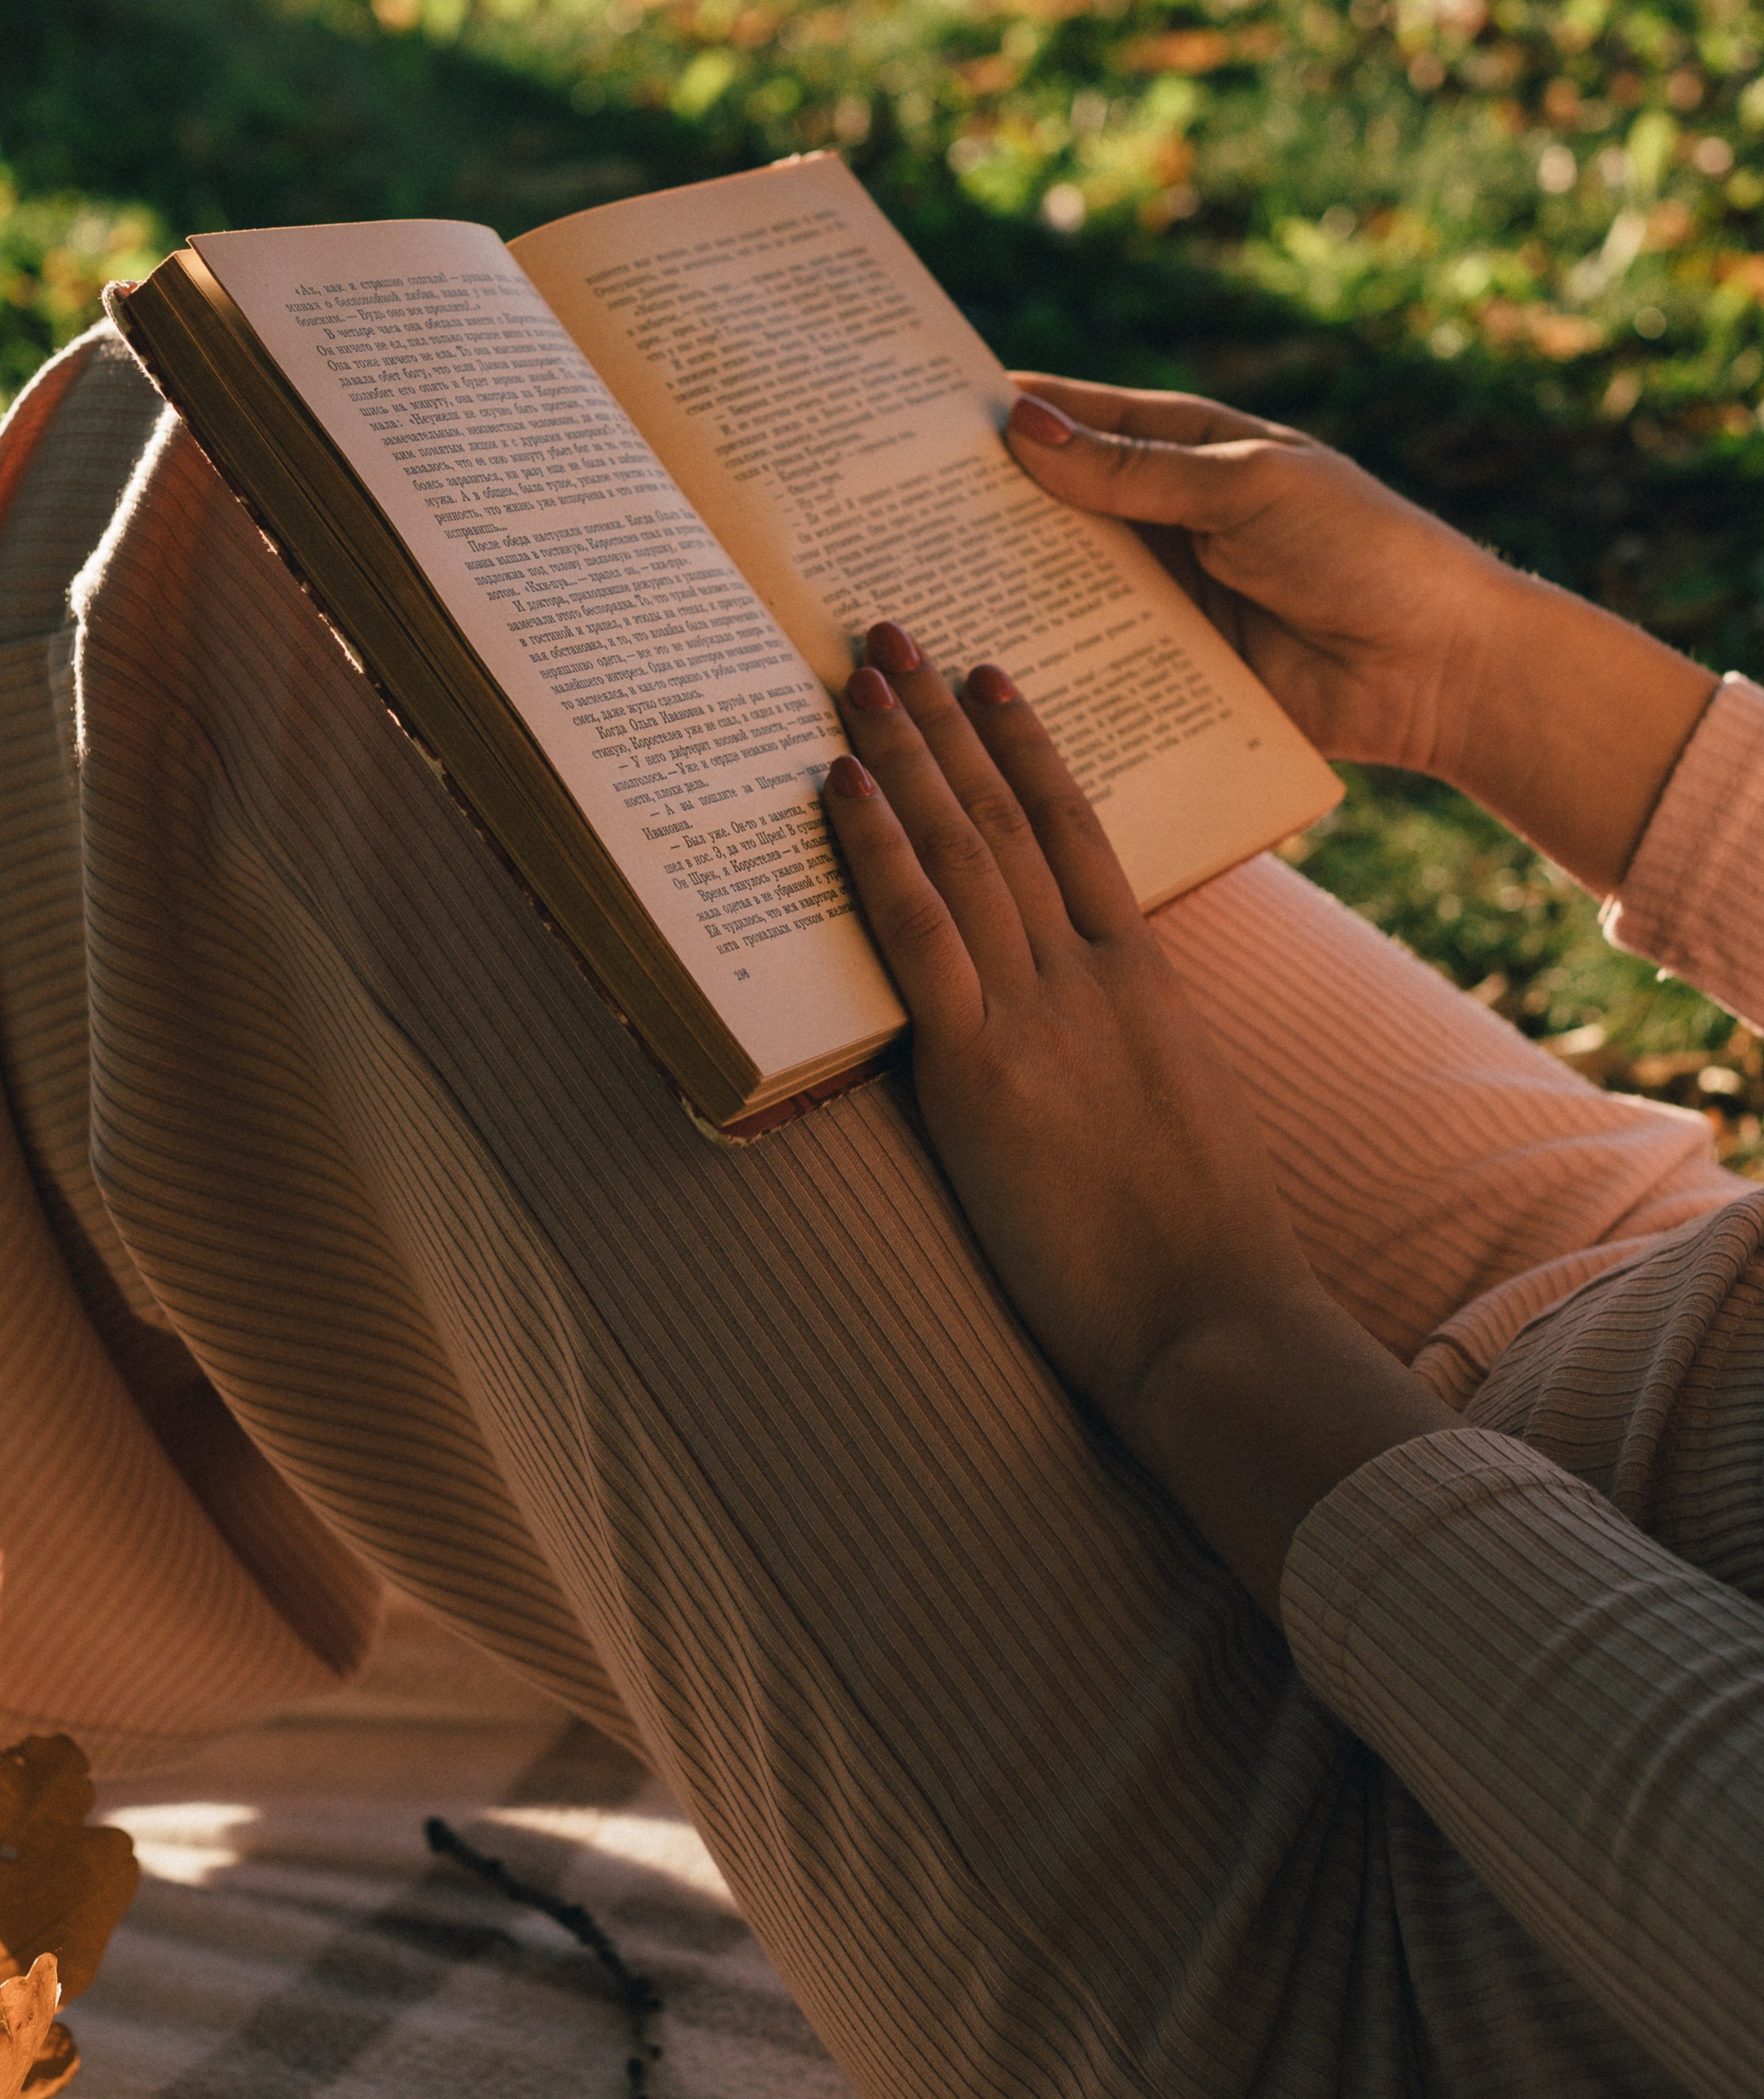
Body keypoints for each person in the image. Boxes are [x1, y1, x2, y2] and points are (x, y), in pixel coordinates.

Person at [0, 326, 1759, 2098]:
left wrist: (1198, 1319)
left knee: (252, 547)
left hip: (1446, 1929)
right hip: (1678, 1361)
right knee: (476, 492)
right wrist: (1523, 689)